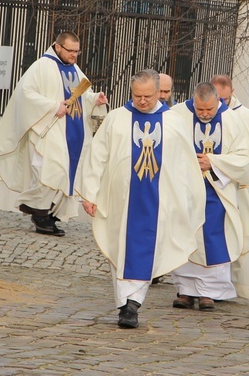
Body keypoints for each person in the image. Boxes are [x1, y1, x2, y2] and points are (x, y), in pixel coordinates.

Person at [78, 69, 206, 328]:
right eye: (137, 95)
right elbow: (97, 157)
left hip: (160, 202)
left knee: (149, 247)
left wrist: (187, 200)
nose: (142, 101)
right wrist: (89, 193)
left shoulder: (173, 122)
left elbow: (185, 165)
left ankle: (132, 304)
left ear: (159, 92)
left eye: (147, 96)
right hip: (120, 199)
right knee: (121, 248)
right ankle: (124, 302)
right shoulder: (116, 119)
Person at [0, 31, 107, 236]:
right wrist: (53, 107)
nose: (74, 56)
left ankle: (48, 213)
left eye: (77, 52)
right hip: (50, 130)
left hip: (73, 134)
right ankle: (38, 211)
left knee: (65, 174)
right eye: (70, 51)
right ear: (58, 47)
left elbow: (82, 96)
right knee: (52, 171)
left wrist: (95, 99)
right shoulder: (42, 66)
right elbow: (26, 95)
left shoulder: (75, 70)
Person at [169, 83, 249, 309]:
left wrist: (213, 162)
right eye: (200, 109)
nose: (204, 114)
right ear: (194, 100)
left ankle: (209, 293)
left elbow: (245, 158)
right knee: (185, 236)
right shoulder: (177, 115)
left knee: (213, 237)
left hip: (218, 191)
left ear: (217, 101)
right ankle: (184, 290)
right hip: (184, 189)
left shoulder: (232, 120)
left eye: (209, 110)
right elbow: (167, 148)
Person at [210, 74, 249, 299]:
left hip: (236, 187)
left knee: (236, 234)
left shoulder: (245, 116)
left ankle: (233, 287)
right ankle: (203, 287)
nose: (220, 105)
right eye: (217, 99)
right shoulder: (199, 113)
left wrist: (236, 164)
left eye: (224, 100)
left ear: (232, 93)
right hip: (208, 185)